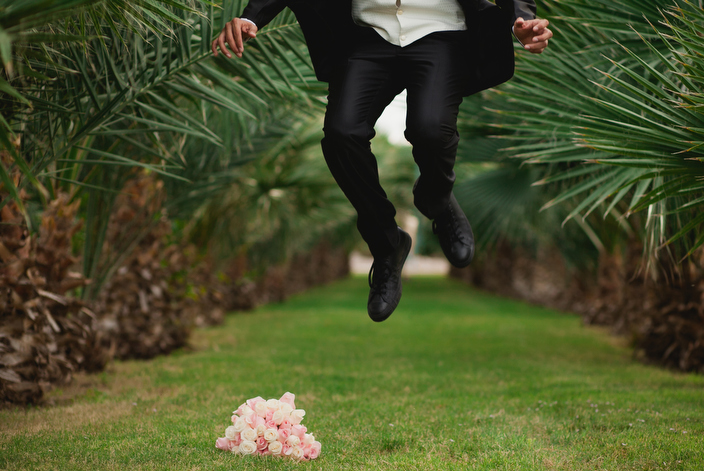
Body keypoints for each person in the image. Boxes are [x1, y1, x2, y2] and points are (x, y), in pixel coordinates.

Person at [212, 1, 552, 322]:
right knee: (341, 133)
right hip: (367, 33)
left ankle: (436, 199)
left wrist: (519, 18)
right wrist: (251, 17)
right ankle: (388, 244)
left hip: (442, 31)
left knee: (430, 128)